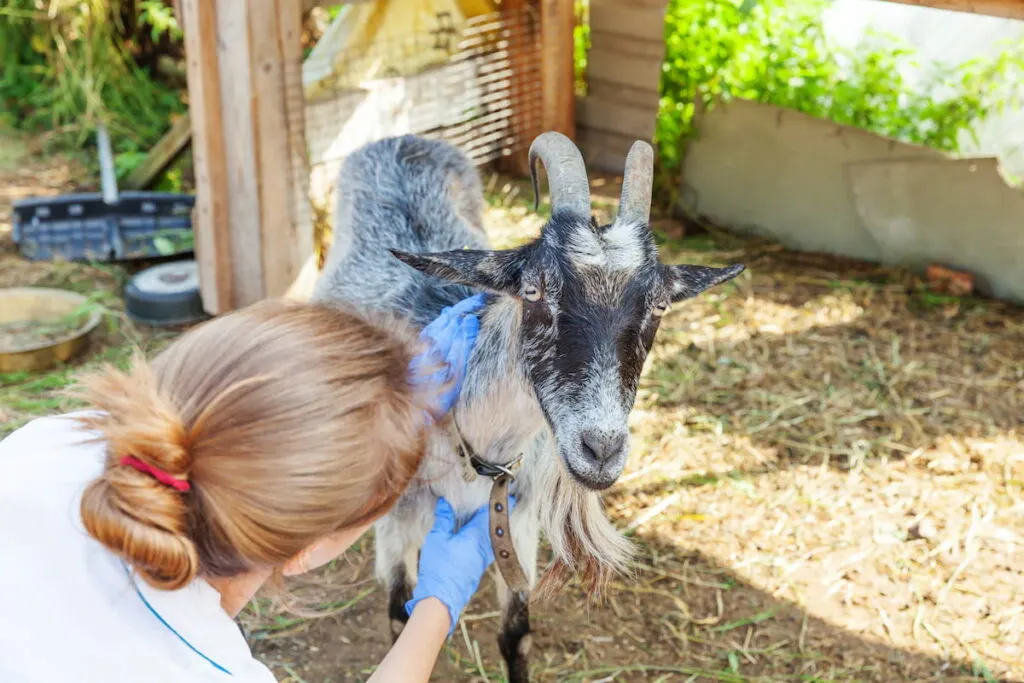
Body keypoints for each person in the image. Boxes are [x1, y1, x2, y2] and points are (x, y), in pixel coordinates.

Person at [0, 293, 497, 682]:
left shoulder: (47, 445)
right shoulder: (207, 672)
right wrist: (437, 605)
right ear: (311, 549)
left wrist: (384, 399)